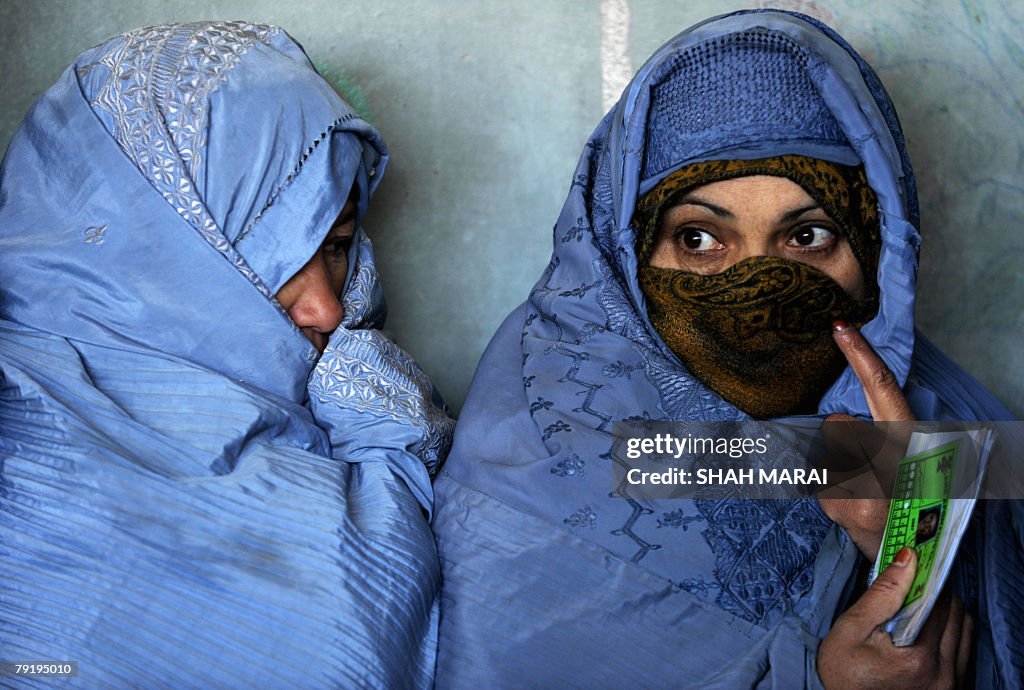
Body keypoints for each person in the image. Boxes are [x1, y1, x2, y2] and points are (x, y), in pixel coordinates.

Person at [432, 9, 1019, 688]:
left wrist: (909, 537)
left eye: (809, 237)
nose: (759, 289)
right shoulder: (533, 450)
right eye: (700, 239)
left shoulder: (938, 439)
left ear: (875, 247)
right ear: (625, 253)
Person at [0, 21, 452, 687]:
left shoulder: (353, 408)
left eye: (338, 245)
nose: (329, 309)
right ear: (153, 252)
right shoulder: (27, 466)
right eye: (265, 250)